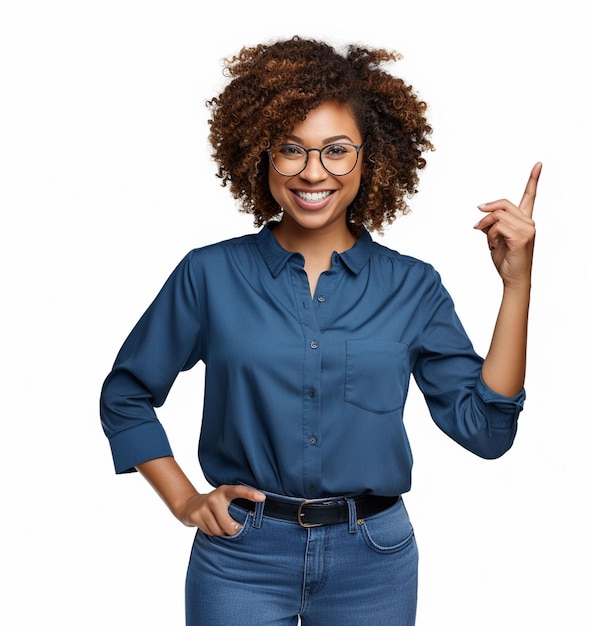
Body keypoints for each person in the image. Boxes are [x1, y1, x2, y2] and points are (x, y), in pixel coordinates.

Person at [100, 36, 541, 626]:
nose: (314, 172)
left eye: (337, 151)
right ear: (261, 154)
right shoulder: (208, 275)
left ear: (371, 158)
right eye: (292, 149)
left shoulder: (413, 287)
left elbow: (485, 431)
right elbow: (126, 396)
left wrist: (516, 287)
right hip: (240, 558)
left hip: (374, 562)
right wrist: (184, 499)